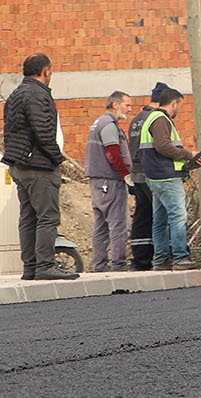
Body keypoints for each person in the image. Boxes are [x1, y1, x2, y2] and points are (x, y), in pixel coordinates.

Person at [4, 53, 73, 280]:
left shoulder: (16, 94)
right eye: (50, 71)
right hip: (39, 165)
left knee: (28, 217)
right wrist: (56, 159)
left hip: (20, 164)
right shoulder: (37, 93)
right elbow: (43, 132)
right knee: (47, 217)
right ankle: (45, 266)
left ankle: (30, 268)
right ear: (45, 71)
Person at [133, 84, 201, 271]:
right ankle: (180, 257)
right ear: (174, 102)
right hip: (166, 177)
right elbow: (163, 147)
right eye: (180, 106)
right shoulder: (161, 119)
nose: (179, 110)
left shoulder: (150, 118)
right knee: (178, 217)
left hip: (154, 177)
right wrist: (189, 154)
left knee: (159, 220)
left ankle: (161, 260)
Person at [85, 90, 135, 272]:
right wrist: (126, 175)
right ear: (116, 104)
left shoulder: (99, 122)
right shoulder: (109, 124)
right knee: (117, 223)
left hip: (98, 181)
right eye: (127, 105)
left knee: (100, 225)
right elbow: (112, 153)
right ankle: (118, 265)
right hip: (109, 180)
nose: (129, 109)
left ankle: (99, 265)